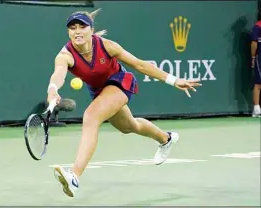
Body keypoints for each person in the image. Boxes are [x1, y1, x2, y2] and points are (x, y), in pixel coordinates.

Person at [46, 9, 202, 197]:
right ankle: (166, 139)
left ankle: (74, 176)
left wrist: (173, 79)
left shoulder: (107, 46)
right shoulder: (65, 55)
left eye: (82, 27)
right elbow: (58, 74)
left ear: (91, 30)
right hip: (99, 92)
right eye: (72, 28)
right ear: (68, 32)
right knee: (129, 126)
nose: (77, 31)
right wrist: (53, 90)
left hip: (120, 82)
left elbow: (140, 65)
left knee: (91, 117)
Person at [251, 20, 261, 118]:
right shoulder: (258, 26)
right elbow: (254, 43)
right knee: (258, 83)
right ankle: (256, 109)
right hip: (260, 57)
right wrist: (253, 57)